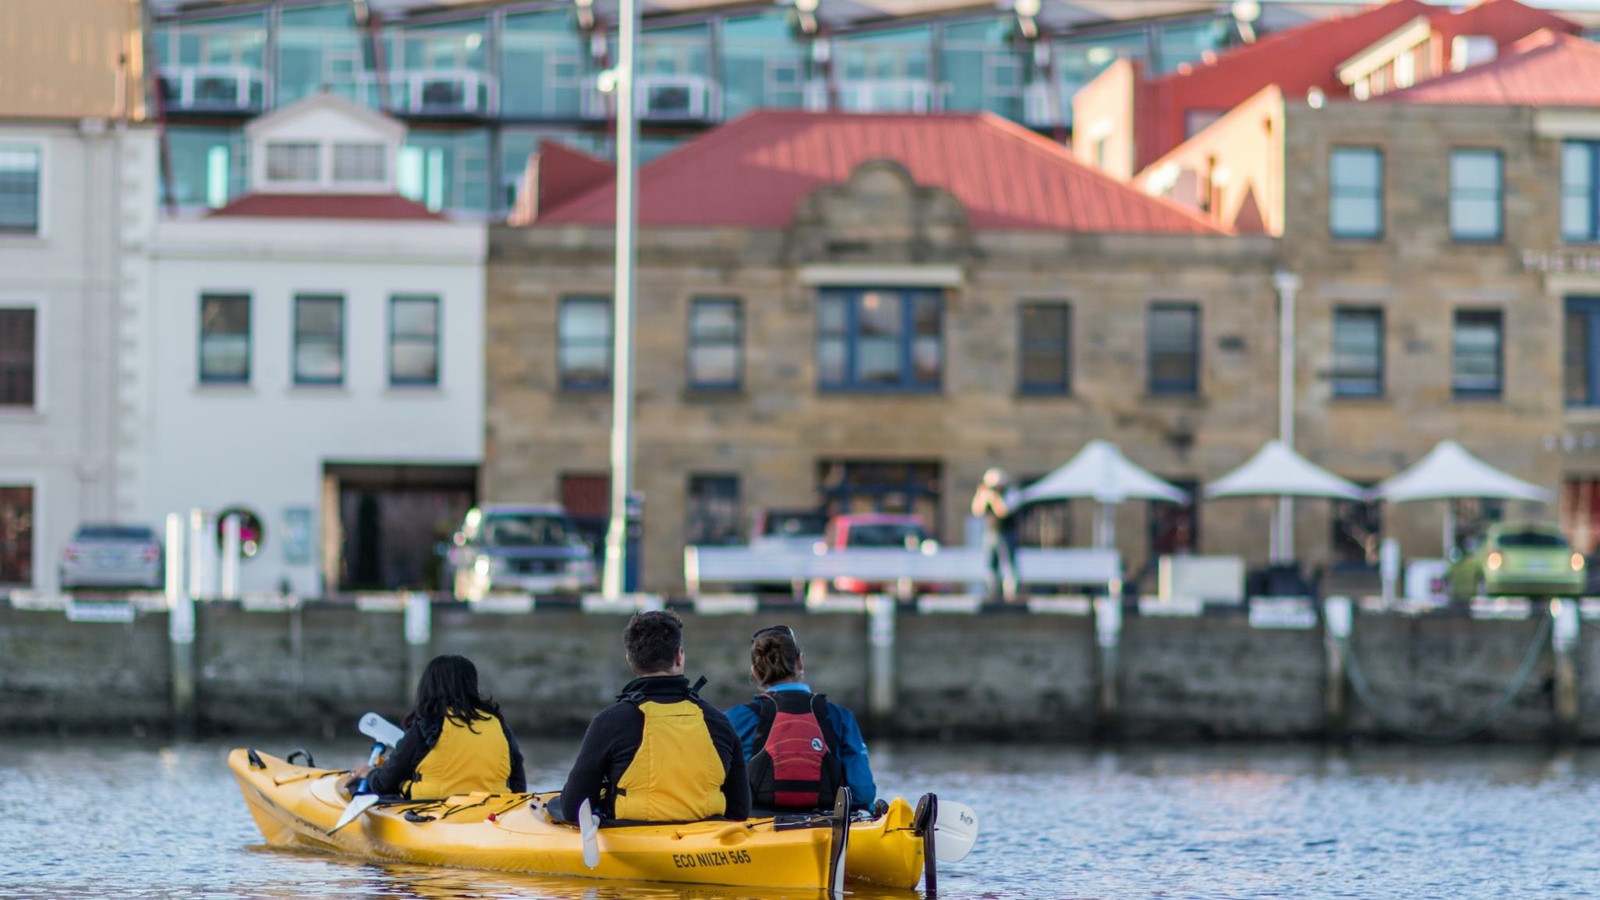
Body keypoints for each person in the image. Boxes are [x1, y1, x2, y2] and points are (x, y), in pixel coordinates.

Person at [558, 609, 750, 824]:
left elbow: (573, 808)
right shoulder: (718, 722)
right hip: (704, 847)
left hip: (633, 846)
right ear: (679, 655)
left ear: (631, 660)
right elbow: (740, 810)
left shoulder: (609, 722)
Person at [726, 624, 877, 813]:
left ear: (755, 673)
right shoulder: (840, 718)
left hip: (756, 828)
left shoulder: (735, 719)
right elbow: (862, 793)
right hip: (827, 825)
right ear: (800, 662)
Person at [344, 654, 526, 798]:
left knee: (359, 786)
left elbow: (385, 783)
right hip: (494, 811)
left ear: (428, 687)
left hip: (434, 810)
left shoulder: (426, 727)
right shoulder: (498, 725)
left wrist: (370, 774)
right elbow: (518, 780)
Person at [972, 467, 1020, 602]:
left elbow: (1002, 511)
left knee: (1008, 565)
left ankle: (1010, 594)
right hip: (990, 533)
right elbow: (977, 511)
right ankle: (993, 592)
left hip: (1006, 533)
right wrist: (982, 495)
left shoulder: (1010, 493)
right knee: (990, 565)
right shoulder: (988, 494)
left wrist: (994, 498)